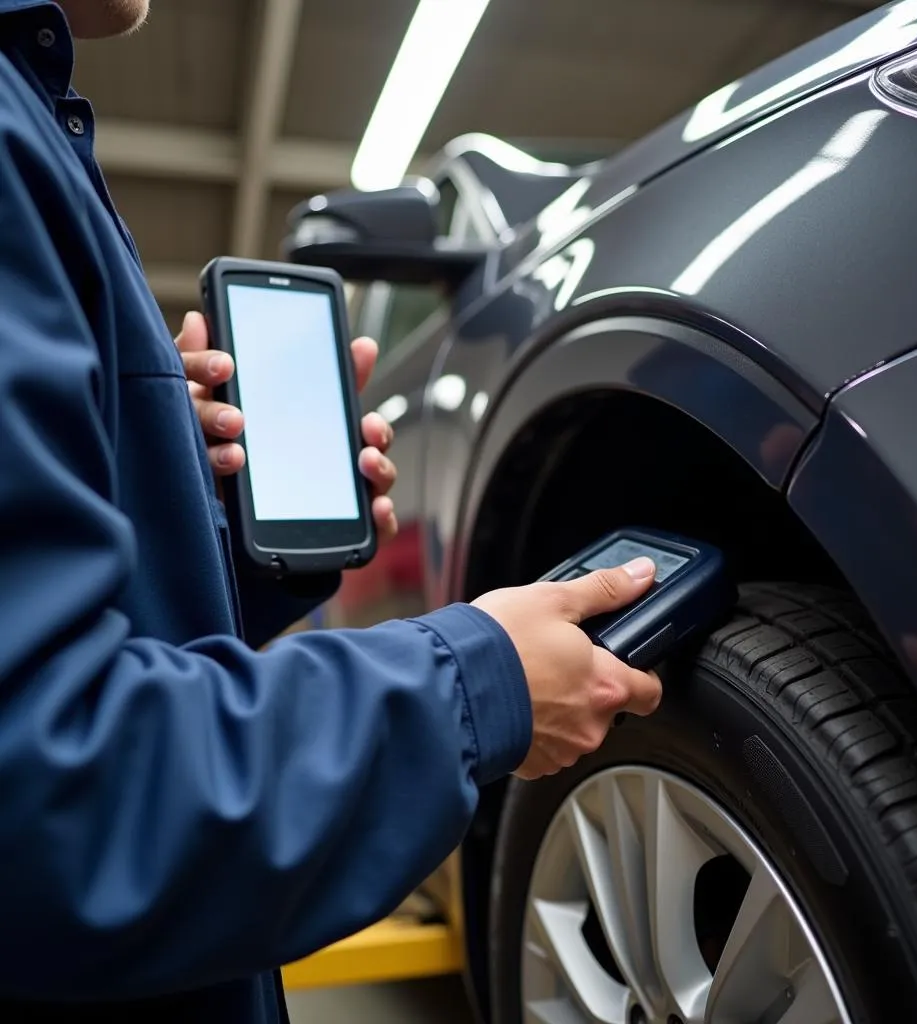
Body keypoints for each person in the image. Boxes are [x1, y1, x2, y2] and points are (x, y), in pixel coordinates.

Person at [0, 1, 663, 1021]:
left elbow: (94, 648)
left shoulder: (37, 122)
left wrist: (197, 517)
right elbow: (50, 800)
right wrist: (474, 677)